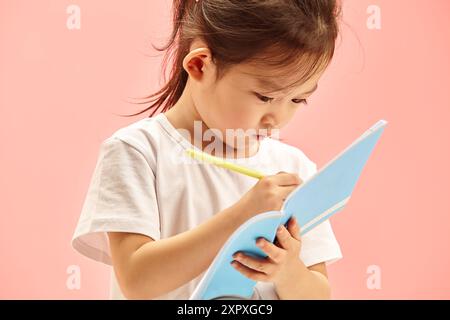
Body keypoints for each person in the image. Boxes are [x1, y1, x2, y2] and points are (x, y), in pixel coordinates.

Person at [72, 0, 343, 300]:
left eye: (297, 100)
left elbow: (318, 294)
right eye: (265, 96)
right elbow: (137, 280)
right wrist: (242, 216)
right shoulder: (139, 152)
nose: (277, 119)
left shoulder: (294, 169)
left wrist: (287, 269)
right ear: (199, 65)